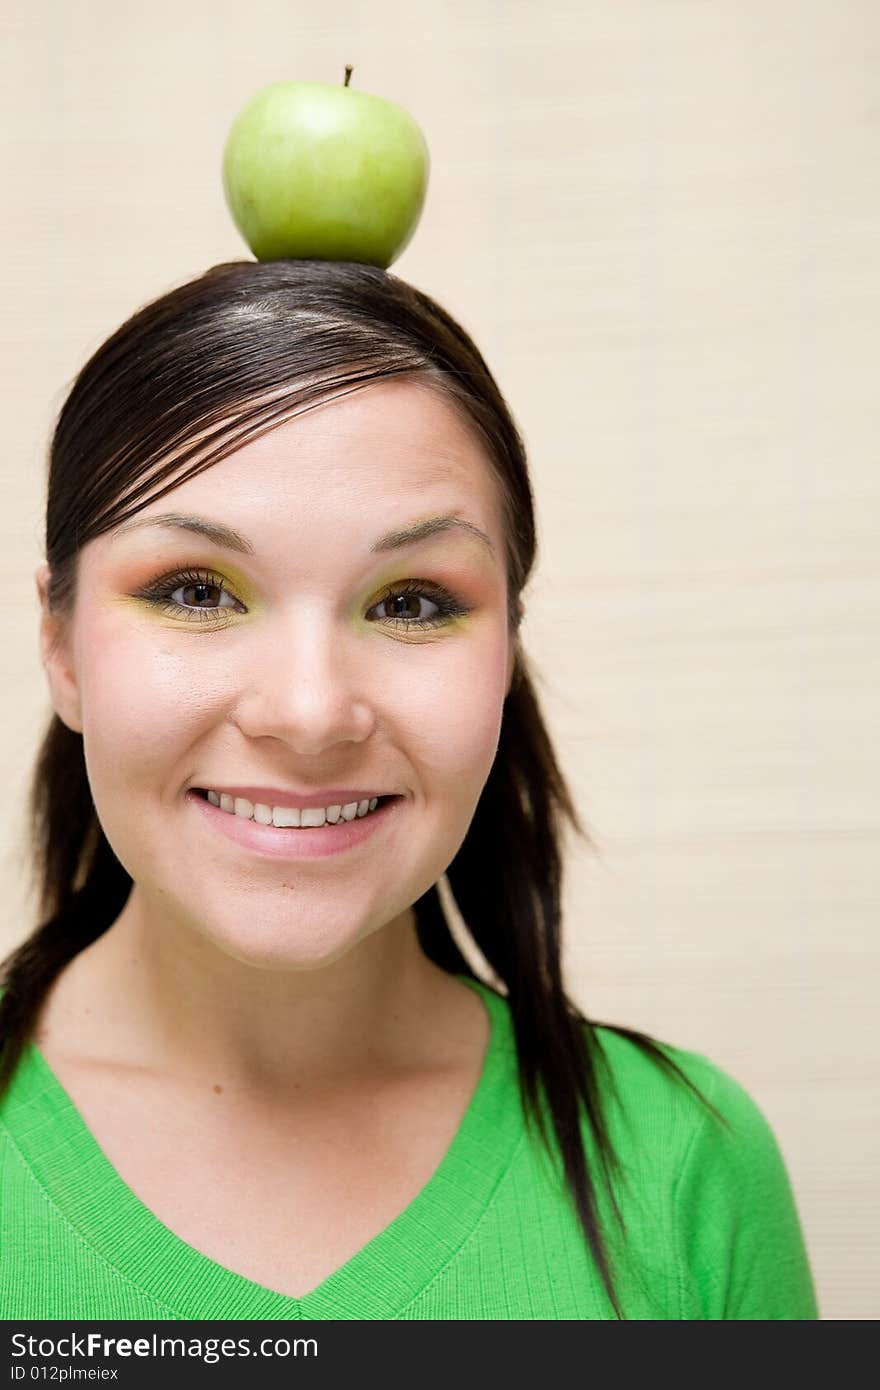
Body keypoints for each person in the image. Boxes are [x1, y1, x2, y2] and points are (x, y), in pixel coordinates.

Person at [0, 259, 818, 1320]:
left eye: (412, 602)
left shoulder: (684, 1166)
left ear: (507, 655)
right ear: (61, 646)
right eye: (196, 591)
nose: (308, 711)